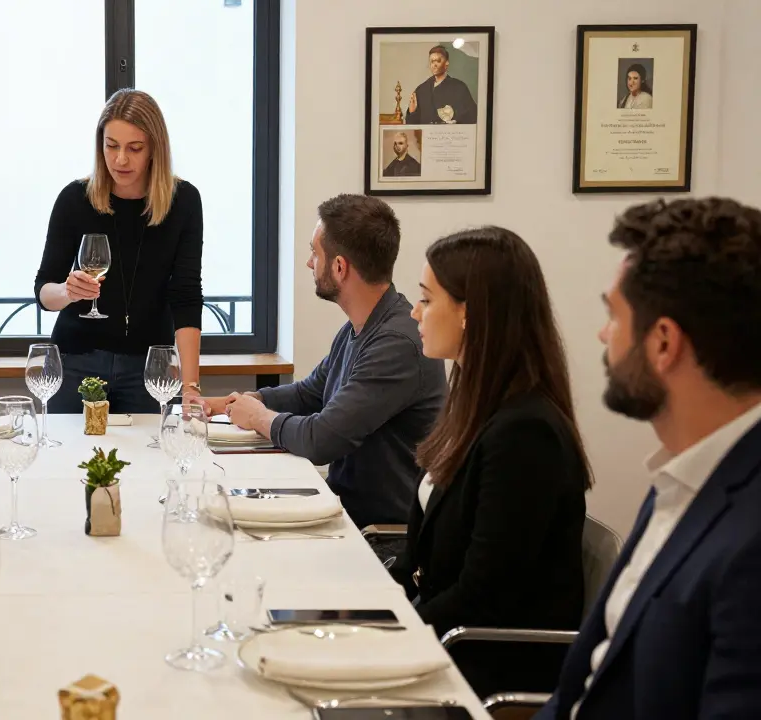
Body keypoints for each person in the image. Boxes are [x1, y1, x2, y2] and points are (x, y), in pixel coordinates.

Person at [538, 198, 761, 719]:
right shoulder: (682, 478)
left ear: (663, 343)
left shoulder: (750, 540)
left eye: (613, 315)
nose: (602, 333)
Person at [394, 227, 590, 697]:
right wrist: (371, 607)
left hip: (487, 663)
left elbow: (484, 595)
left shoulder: (525, 432)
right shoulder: (475, 402)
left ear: (469, 312)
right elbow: (425, 558)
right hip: (448, 635)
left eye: (426, 299)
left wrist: (391, 634)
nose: (415, 312)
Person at [206, 195, 446, 527]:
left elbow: (322, 439)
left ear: (339, 267)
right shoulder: (360, 327)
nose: (309, 263)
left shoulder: (397, 343)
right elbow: (310, 393)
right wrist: (243, 401)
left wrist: (260, 418)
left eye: (314, 253)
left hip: (375, 533)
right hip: (340, 510)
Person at [34, 89, 204, 413]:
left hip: (150, 366)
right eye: (111, 146)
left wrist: (191, 386)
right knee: (66, 459)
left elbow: (186, 296)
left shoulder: (183, 203)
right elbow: (44, 291)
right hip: (74, 362)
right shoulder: (74, 199)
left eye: (134, 148)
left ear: (155, 148)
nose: (120, 159)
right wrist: (68, 292)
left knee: (149, 461)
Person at [405, 45, 477, 125]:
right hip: (427, 136)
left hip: (450, 135)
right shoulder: (421, 89)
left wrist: (456, 122)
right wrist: (412, 112)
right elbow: (412, 124)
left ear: (446, 63)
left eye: (438, 61)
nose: (434, 65)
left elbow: (472, 115)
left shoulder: (459, 87)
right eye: (432, 61)